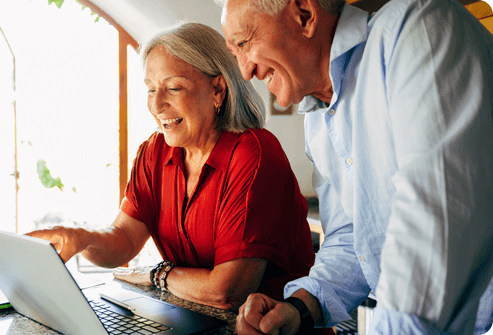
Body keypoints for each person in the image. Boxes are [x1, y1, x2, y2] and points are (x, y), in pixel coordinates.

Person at [220, 0, 493, 333]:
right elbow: (354, 240)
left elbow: (433, 226)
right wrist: (299, 308)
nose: (245, 71)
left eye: (245, 44)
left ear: (304, 15)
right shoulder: (318, 118)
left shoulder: (415, 30)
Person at [26, 22, 317, 311]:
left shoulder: (254, 155)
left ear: (218, 89)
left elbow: (227, 291)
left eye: (174, 88)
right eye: (151, 90)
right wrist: (80, 238)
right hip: (201, 321)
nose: (157, 105)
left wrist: (157, 275)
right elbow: (124, 240)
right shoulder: (155, 151)